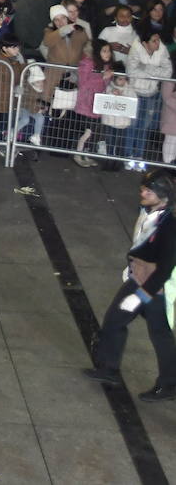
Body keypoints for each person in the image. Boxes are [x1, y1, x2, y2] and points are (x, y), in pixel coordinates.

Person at [85, 171, 176, 402]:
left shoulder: (169, 227)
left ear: (163, 196)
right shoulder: (149, 213)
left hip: (154, 289)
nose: (142, 193)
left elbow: (164, 269)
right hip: (138, 279)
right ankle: (109, 368)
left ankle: (169, 385)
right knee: (115, 320)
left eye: (149, 191)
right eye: (143, 189)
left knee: (160, 335)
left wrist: (140, 296)